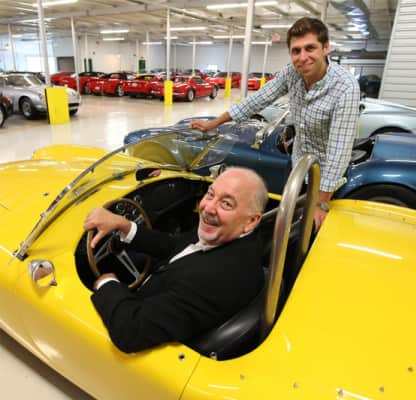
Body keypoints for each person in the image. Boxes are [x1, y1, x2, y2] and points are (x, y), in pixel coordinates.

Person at [190, 17, 361, 230]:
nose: (303, 57)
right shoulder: (292, 73)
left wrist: (321, 203)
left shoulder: (346, 87)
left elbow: (339, 150)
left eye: (310, 48)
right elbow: (257, 100)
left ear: (326, 48)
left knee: (311, 230)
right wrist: (213, 123)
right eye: (296, 51)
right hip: (299, 164)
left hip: (327, 178)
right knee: (290, 220)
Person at [84, 167, 269, 353]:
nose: (208, 208)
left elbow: (130, 332)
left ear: (252, 221)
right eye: (210, 194)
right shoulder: (234, 235)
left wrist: (107, 284)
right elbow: (177, 246)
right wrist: (124, 225)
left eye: (226, 204)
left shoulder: (216, 280)